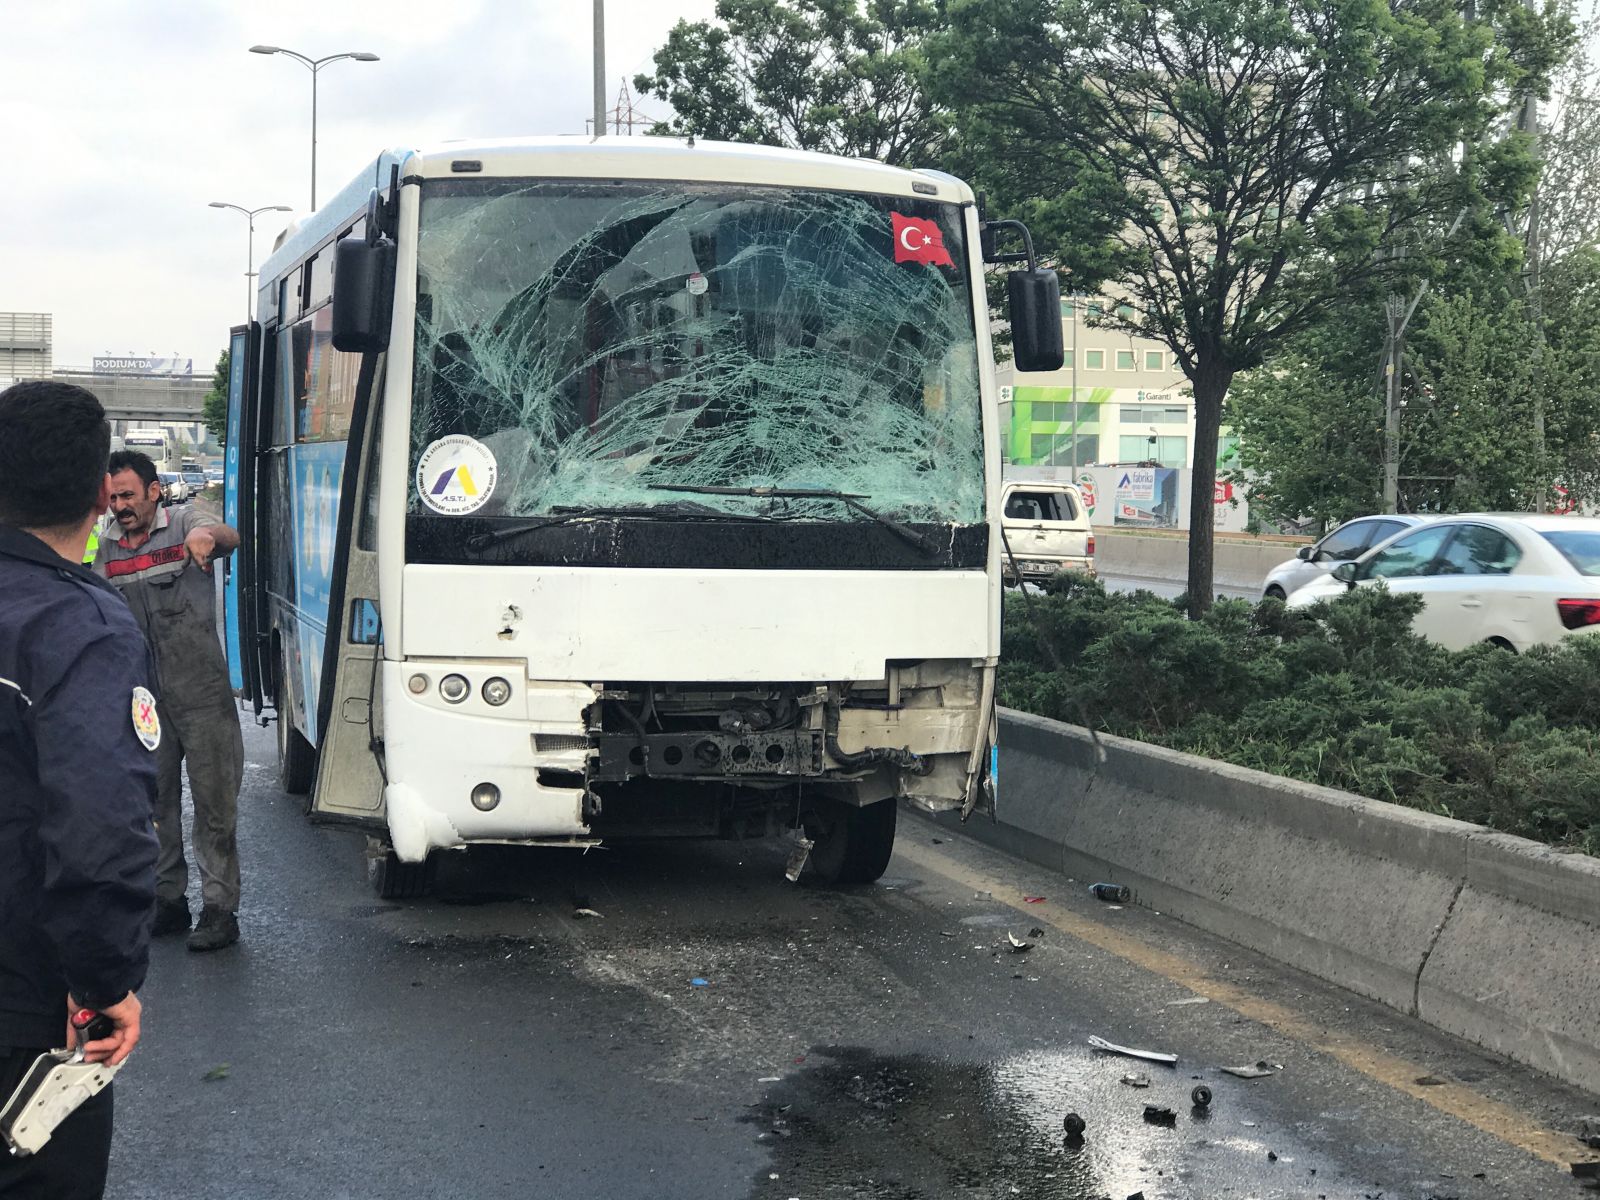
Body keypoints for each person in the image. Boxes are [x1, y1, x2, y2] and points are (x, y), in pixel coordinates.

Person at [0, 380, 158, 1199]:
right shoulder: (77, 629)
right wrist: (103, 986)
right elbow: (101, 832)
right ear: (103, 492)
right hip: (24, 1002)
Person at [95, 450, 244, 952]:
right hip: (144, 705)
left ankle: (220, 911)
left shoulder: (185, 521)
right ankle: (169, 902)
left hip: (202, 696)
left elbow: (225, 534)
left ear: (154, 492)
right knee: (154, 806)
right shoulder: (107, 549)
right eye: (113, 497)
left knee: (214, 807)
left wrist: (207, 540)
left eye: (128, 495)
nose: (120, 506)